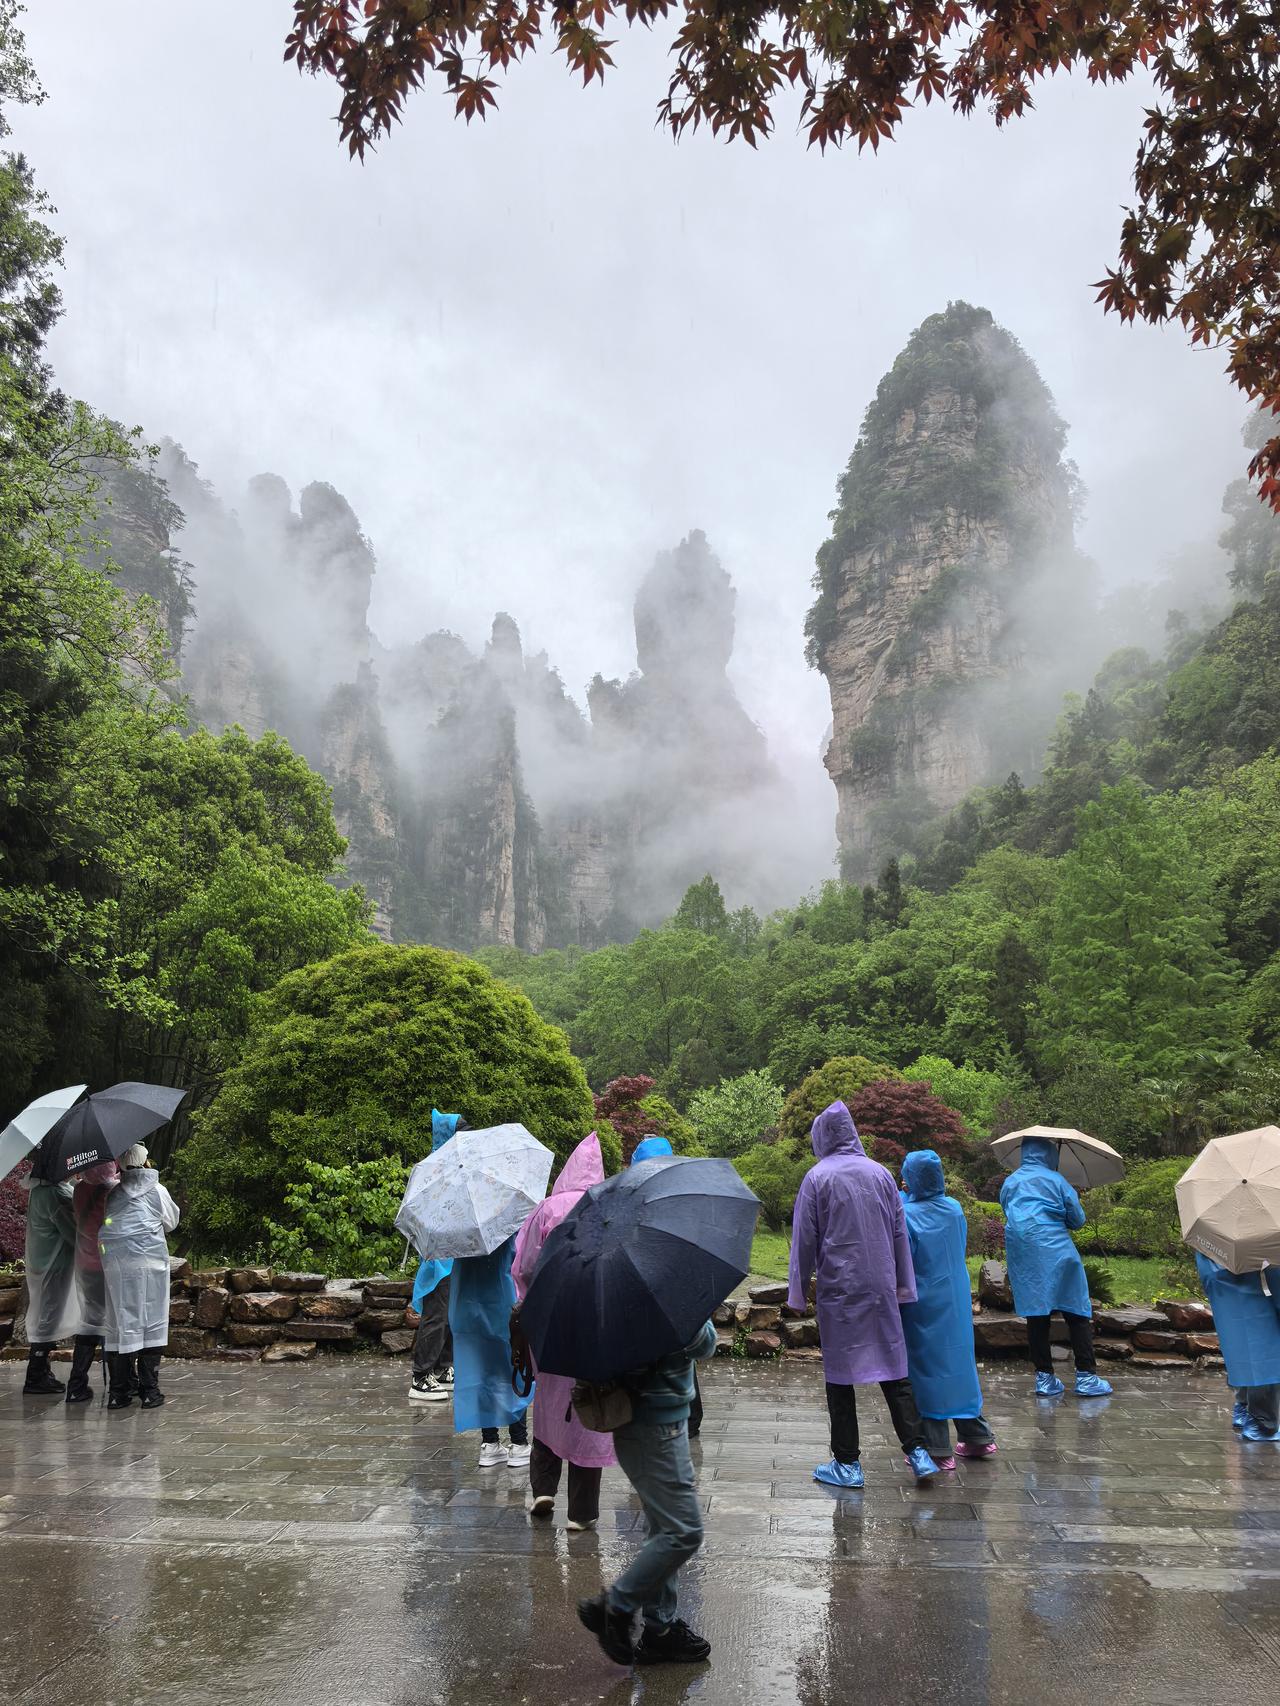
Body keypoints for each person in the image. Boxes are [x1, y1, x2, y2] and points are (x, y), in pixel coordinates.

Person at [788, 1100, 939, 1488]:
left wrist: (797, 1294)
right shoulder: (882, 1175)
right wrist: (903, 1284)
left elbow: (804, 1241)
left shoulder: (817, 1177)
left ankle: (848, 1463)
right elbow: (898, 1234)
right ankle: (918, 1451)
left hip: (841, 1288)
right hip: (880, 1286)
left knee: (840, 1375)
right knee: (894, 1368)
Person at [578, 1319, 717, 1668]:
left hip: (658, 1419)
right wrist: (700, 1318)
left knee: (662, 1526)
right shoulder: (659, 1297)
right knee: (682, 1532)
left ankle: (660, 1630)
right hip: (654, 1425)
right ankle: (615, 1607)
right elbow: (703, 1343)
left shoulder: (620, 1291)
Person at [512, 1132, 616, 1529]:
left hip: (550, 1320)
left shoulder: (546, 1209)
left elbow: (523, 1268)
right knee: (591, 1407)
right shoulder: (608, 1208)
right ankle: (582, 1512)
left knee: (550, 1404)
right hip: (596, 1322)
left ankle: (543, 1488)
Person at [899, 1150, 997, 1468]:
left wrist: (903, 1198)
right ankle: (977, 1436)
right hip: (955, 1298)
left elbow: (902, 1254)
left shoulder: (906, 1213)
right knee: (958, 1364)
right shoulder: (954, 1209)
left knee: (927, 1370)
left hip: (922, 1302)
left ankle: (936, 1448)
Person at [999, 1135, 1111, 1398]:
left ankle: (1045, 1379)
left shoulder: (1011, 1181)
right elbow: (1077, 1220)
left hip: (1024, 1253)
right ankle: (1086, 1376)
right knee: (1076, 1311)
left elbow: (1008, 1211)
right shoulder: (1057, 1180)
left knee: (1037, 1314)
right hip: (1058, 1251)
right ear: (1051, 1155)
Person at [450, 1178, 533, 1467]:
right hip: (501, 1308)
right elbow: (521, 1264)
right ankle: (519, 1443)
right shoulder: (508, 1221)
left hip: (467, 1310)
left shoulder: (459, 1224)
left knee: (483, 1372)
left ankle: (489, 1443)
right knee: (513, 1369)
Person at [631, 1136, 703, 1438]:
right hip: (680, 1290)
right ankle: (691, 1417)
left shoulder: (632, 1199)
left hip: (647, 1288)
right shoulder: (686, 1196)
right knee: (683, 1353)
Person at [99, 1144, 180, 1410]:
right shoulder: (157, 1190)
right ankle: (149, 1391)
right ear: (146, 1163)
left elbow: (109, 1223)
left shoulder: (114, 1193)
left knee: (122, 1321)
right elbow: (171, 1222)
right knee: (151, 1321)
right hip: (149, 1264)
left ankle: (119, 1393)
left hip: (118, 1266)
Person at [1194, 1252, 1280, 1442]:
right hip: (1254, 1300)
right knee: (1264, 1358)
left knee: (1241, 1353)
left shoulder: (1212, 1238)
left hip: (1227, 1294)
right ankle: (1262, 1424)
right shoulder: (1257, 1235)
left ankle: (1243, 1408)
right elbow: (1274, 1270)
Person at [408, 1110, 461, 1405]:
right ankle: (420, 1376)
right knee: (436, 1316)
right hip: (437, 1257)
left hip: (453, 1254)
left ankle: (442, 1369)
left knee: (449, 1316)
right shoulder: (430, 1171)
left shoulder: (453, 1168)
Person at [66, 1160, 121, 1405]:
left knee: (89, 1322)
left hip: (85, 1265)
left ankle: (76, 1384)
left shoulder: (78, 1189)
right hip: (108, 1265)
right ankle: (119, 1386)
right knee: (114, 1324)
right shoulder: (114, 1190)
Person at [19, 1165, 78, 1396]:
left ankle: (42, 1370)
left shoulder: (40, 1189)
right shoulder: (56, 1194)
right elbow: (73, 1232)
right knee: (49, 1317)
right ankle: (36, 1375)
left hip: (41, 1262)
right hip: (56, 1265)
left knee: (45, 1313)